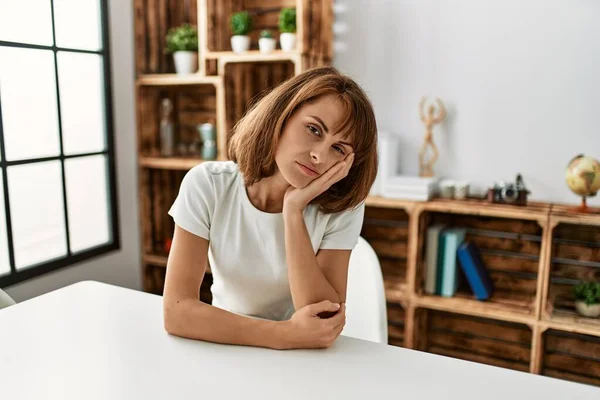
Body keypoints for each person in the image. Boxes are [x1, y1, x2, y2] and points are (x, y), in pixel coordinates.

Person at [163, 66, 378, 350]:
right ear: (282, 116)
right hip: (224, 345)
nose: (319, 155)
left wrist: (293, 212)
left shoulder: (341, 209)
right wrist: (285, 334)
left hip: (304, 358)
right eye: (314, 130)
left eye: (338, 149)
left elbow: (324, 318)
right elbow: (177, 312)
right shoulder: (208, 185)